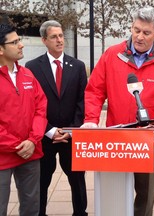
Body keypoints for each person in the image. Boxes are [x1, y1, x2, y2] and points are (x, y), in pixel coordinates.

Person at [81, 7, 154, 216]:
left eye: (146, 33)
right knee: (115, 187)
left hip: (150, 138)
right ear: (131, 27)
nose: (139, 36)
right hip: (116, 137)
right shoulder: (112, 55)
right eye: (136, 30)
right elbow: (94, 91)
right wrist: (91, 120)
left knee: (145, 194)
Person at [25, 20, 88, 216]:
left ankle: (80, 213)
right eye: (54, 37)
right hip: (45, 136)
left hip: (72, 136)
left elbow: (82, 101)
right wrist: (50, 130)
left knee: (77, 180)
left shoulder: (78, 66)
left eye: (61, 36)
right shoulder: (32, 67)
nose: (60, 40)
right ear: (44, 40)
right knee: (42, 180)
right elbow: (32, 105)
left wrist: (70, 130)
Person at [0, 24, 47, 216]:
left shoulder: (27, 74)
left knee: (31, 207)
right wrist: (17, 145)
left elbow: (41, 108)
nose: (21, 45)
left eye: (20, 40)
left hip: (30, 153)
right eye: (15, 42)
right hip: (3, 156)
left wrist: (32, 140)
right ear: (1, 49)